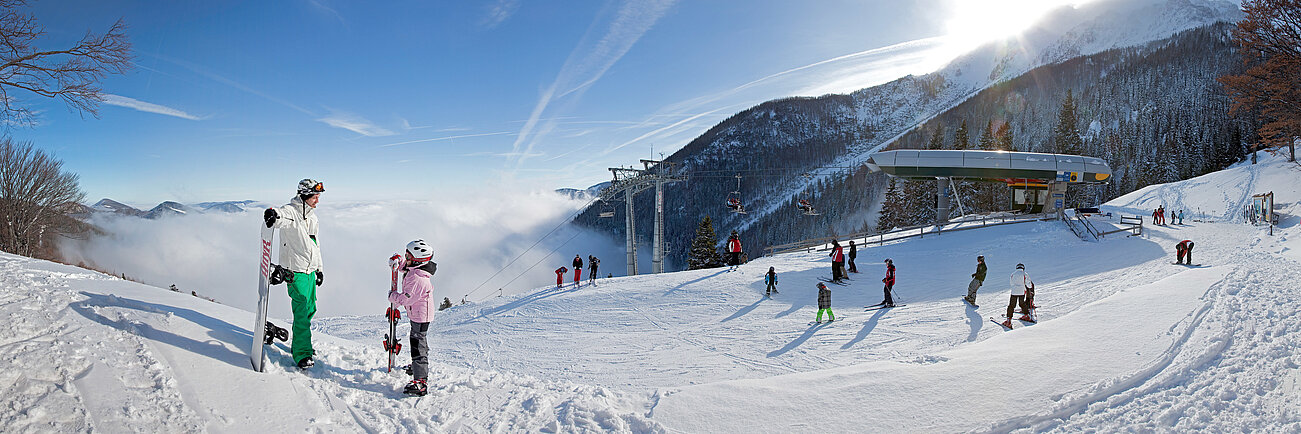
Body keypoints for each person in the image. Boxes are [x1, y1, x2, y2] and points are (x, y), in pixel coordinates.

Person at [263, 178, 326, 370]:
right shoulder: (292, 211)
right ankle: (302, 354)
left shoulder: (313, 218)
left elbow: (315, 245)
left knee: (309, 310)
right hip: (295, 271)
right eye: (315, 196)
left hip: (310, 271)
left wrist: (319, 268)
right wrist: (273, 215)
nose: (317, 200)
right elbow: (282, 216)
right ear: (305, 195)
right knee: (301, 313)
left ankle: (302, 344)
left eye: (318, 196)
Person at [388, 240, 436, 396]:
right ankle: (418, 366)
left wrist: (392, 296)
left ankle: (421, 381)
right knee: (418, 341)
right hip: (417, 314)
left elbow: (405, 299)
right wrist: (398, 261)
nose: (405, 258)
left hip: (421, 317)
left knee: (417, 344)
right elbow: (406, 267)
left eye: (407, 256)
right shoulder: (415, 269)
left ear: (416, 259)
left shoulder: (418, 280)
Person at [1005, 263, 1034, 327]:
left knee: (1011, 305)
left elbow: (1011, 283)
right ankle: (1026, 315)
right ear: (1023, 268)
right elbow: (1028, 283)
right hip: (1022, 291)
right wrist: (1029, 288)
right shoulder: (1024, 274)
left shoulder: (1013, 274)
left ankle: (1008, 320)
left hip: (1014, 292)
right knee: (1022, 303)